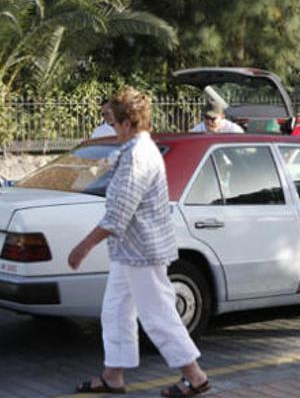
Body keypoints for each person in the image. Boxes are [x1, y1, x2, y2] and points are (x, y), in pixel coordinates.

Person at [68, 87, 210, 397]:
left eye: (115, 123)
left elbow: (118, 215)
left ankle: (195, 376)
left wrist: (83, 246)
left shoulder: (137, 157)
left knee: (157, 314)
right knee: (116, 310)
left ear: (129, 124)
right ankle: (113, 376)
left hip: (141, 251)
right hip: (131, 251)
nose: (113, 129)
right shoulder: (137, 149)